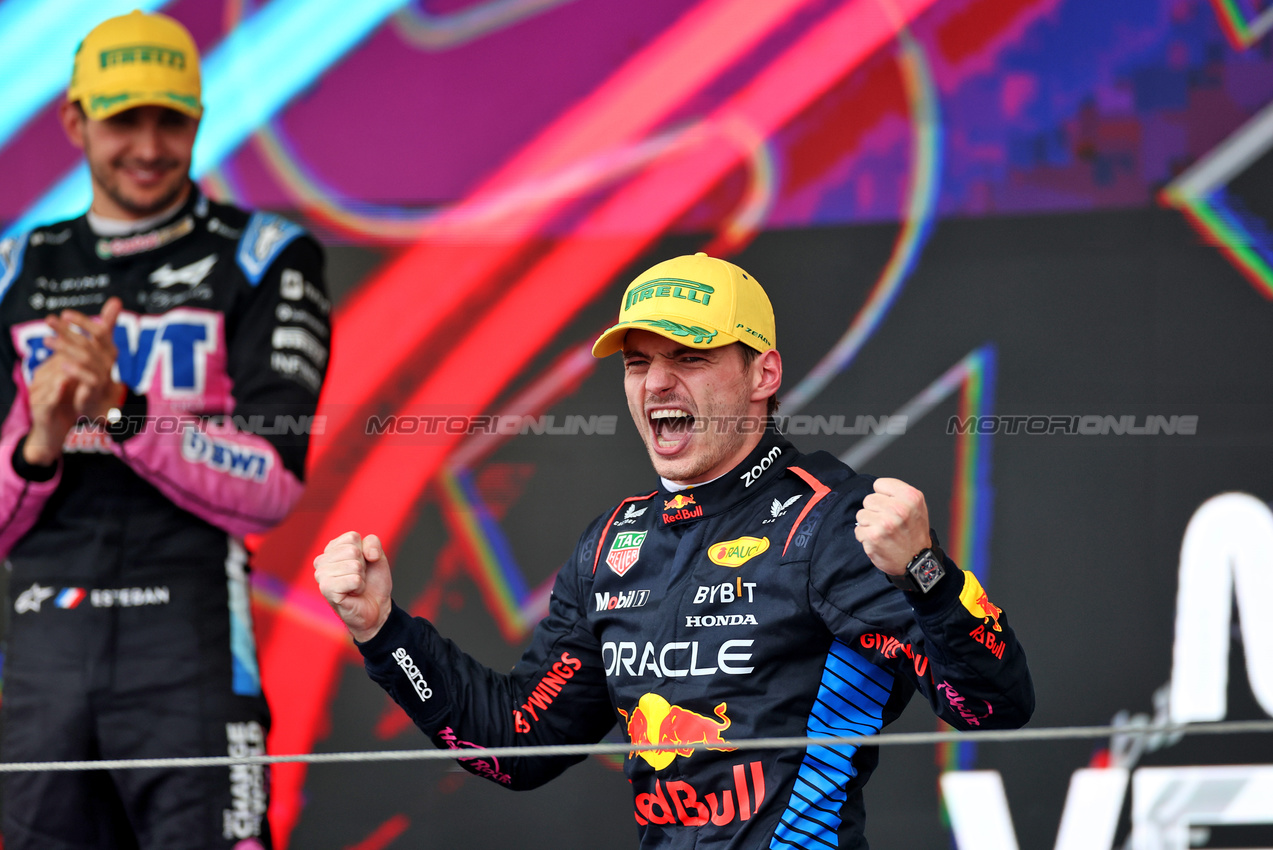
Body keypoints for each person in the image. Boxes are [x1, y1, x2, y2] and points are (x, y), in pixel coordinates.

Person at [314, 253, 1032, 848]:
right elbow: (515, 745)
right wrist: (384, 633)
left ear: (763, 375)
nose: (656, 383)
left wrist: (928, 574)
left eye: (688, 356)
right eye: (636, 363)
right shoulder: (613, 544)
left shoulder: (829, 523)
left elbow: (991, 707)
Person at [0, 10, 330, 849]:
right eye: (123, 120)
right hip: (42, 662)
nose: (148, 145)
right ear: (75, 121)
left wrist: (122, 411)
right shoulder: (12, 271)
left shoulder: (262, 256)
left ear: (197, 121)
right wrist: (37, 441)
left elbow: (271, 486)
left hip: (189, 655)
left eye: (170, 119)